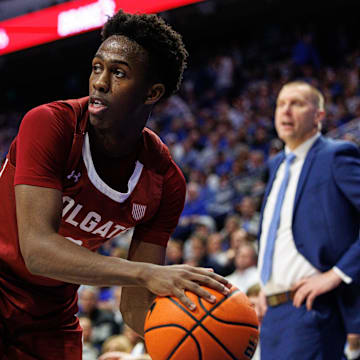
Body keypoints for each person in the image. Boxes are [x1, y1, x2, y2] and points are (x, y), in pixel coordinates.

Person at [0, 10, 230, 359]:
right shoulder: (50, 125)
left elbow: (136, 307)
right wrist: (143, 273)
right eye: (97, 67)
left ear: (152, 93)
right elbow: (37, 250)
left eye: (118, 72)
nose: (100, 82)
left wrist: (196, 339)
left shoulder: (166, 182)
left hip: (52, 308)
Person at [257, 80, 360, 359]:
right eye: (280, 104)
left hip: (313, 309)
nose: (285, 111)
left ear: (319, 116)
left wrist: (336, 274)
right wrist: (267, 285)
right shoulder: (275, 166)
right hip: (271, 314)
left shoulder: (336, 155)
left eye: (297, 104)